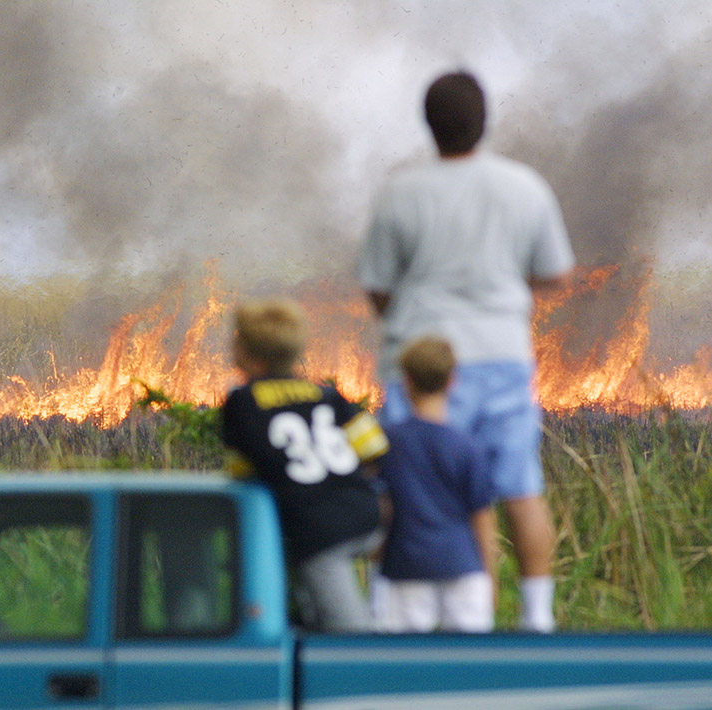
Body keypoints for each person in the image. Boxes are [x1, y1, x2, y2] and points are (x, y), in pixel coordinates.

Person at [358, 70, 575, 632]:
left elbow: (377, 285)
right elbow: (555, 271)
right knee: (520, 488)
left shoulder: (400, 192)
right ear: (485, 121)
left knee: (396, 486)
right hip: (502, 356)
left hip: (421, 360)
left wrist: (404, 320)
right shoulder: (524, 187)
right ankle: (536, 618)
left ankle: (385, 609)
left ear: (427, 123)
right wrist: (501, 287)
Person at [221, 298, 389, 632]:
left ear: (246, 354)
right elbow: (376, 449)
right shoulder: (325, 394)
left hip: (319, 533)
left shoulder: (242, 403)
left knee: (350, 634)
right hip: (368, 516)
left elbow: (241, 474)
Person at [370, 336, 497, 633]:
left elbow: (382, 509)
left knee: (403, 656)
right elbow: (481, 517)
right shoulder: (467, 447)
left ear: (407, 381)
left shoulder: (387, 443)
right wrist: (489, 577)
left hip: (405, 567)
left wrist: (377, 560)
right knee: (469, 656)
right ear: (452, 382)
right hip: (462, 566)